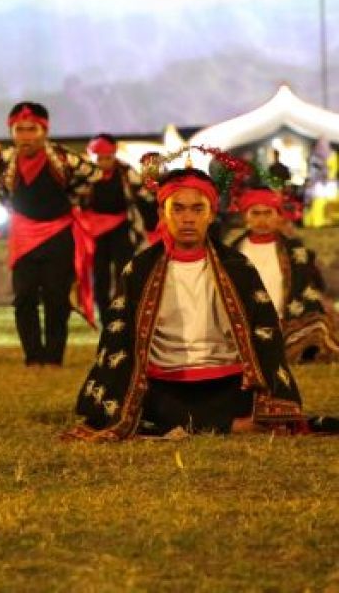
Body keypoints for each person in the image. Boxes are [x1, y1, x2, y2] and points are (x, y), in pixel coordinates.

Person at [66, 169, 312, 440]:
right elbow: (117, 338)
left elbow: (265, 335)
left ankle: (200, 421)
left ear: (211, 213)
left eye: (197, 209)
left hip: (226, 380)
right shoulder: (139, 269)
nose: (188, 219)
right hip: (162, 381)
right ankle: (228, 424)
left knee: (244, 401)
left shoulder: (238, 266)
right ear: (162, 214)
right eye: (178, 209)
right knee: (142, 403)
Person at [0, 103, 97, 367]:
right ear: (12, 131)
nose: (26, 136)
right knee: (24, 298)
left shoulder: (61, 158)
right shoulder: (4, 159)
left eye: (32, 129)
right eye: (20, 130)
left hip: (58, 233)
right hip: (23, 234)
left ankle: (53, 357)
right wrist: (6, 201)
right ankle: (33, 356)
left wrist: (72, 199)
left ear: (44, 131)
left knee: (56, 297)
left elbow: (93, 174)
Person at [228, 186, 339, 362]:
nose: (262, 220)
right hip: (246, 324)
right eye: (255, 214)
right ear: (245, 217)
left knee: (318, 326)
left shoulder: (294, 250)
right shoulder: (234, 253)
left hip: (285, 322)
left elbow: (306, 288)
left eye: (267, 213)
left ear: (278, 216)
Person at [82, 134, 155, 321]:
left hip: (122, 229)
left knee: (124, 272)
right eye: (99, 158)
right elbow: (72, 199)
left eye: (108, 157)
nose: (104, 162)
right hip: (94, 233)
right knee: (100, 276)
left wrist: (152, 221)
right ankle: (105, 319)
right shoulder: (84, 174)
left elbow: (146, 197)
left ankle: (124, 314)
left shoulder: (126, 172)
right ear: (92, 156)